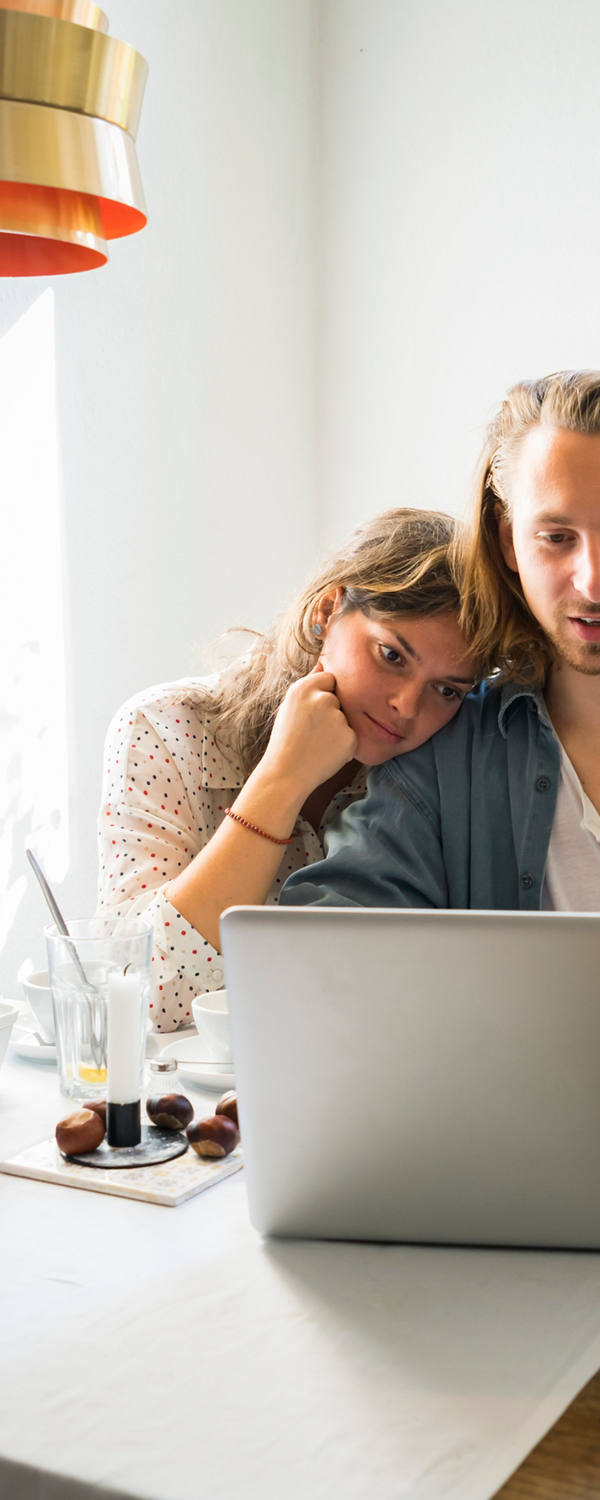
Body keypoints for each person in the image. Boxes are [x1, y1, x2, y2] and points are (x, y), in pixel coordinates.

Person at [97, 508, 478, 1029]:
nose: (408, 707)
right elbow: (137, 995)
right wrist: (283, 778)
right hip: (186, 1101)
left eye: (447, 690)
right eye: (391, 655)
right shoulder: (164, 730)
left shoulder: (434, 772)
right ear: (327, 610)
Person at [282, 369, 600, 913]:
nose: (592, 581)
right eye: (556, 538)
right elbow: (325, 945)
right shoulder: (442, 752)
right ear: (508, 542)